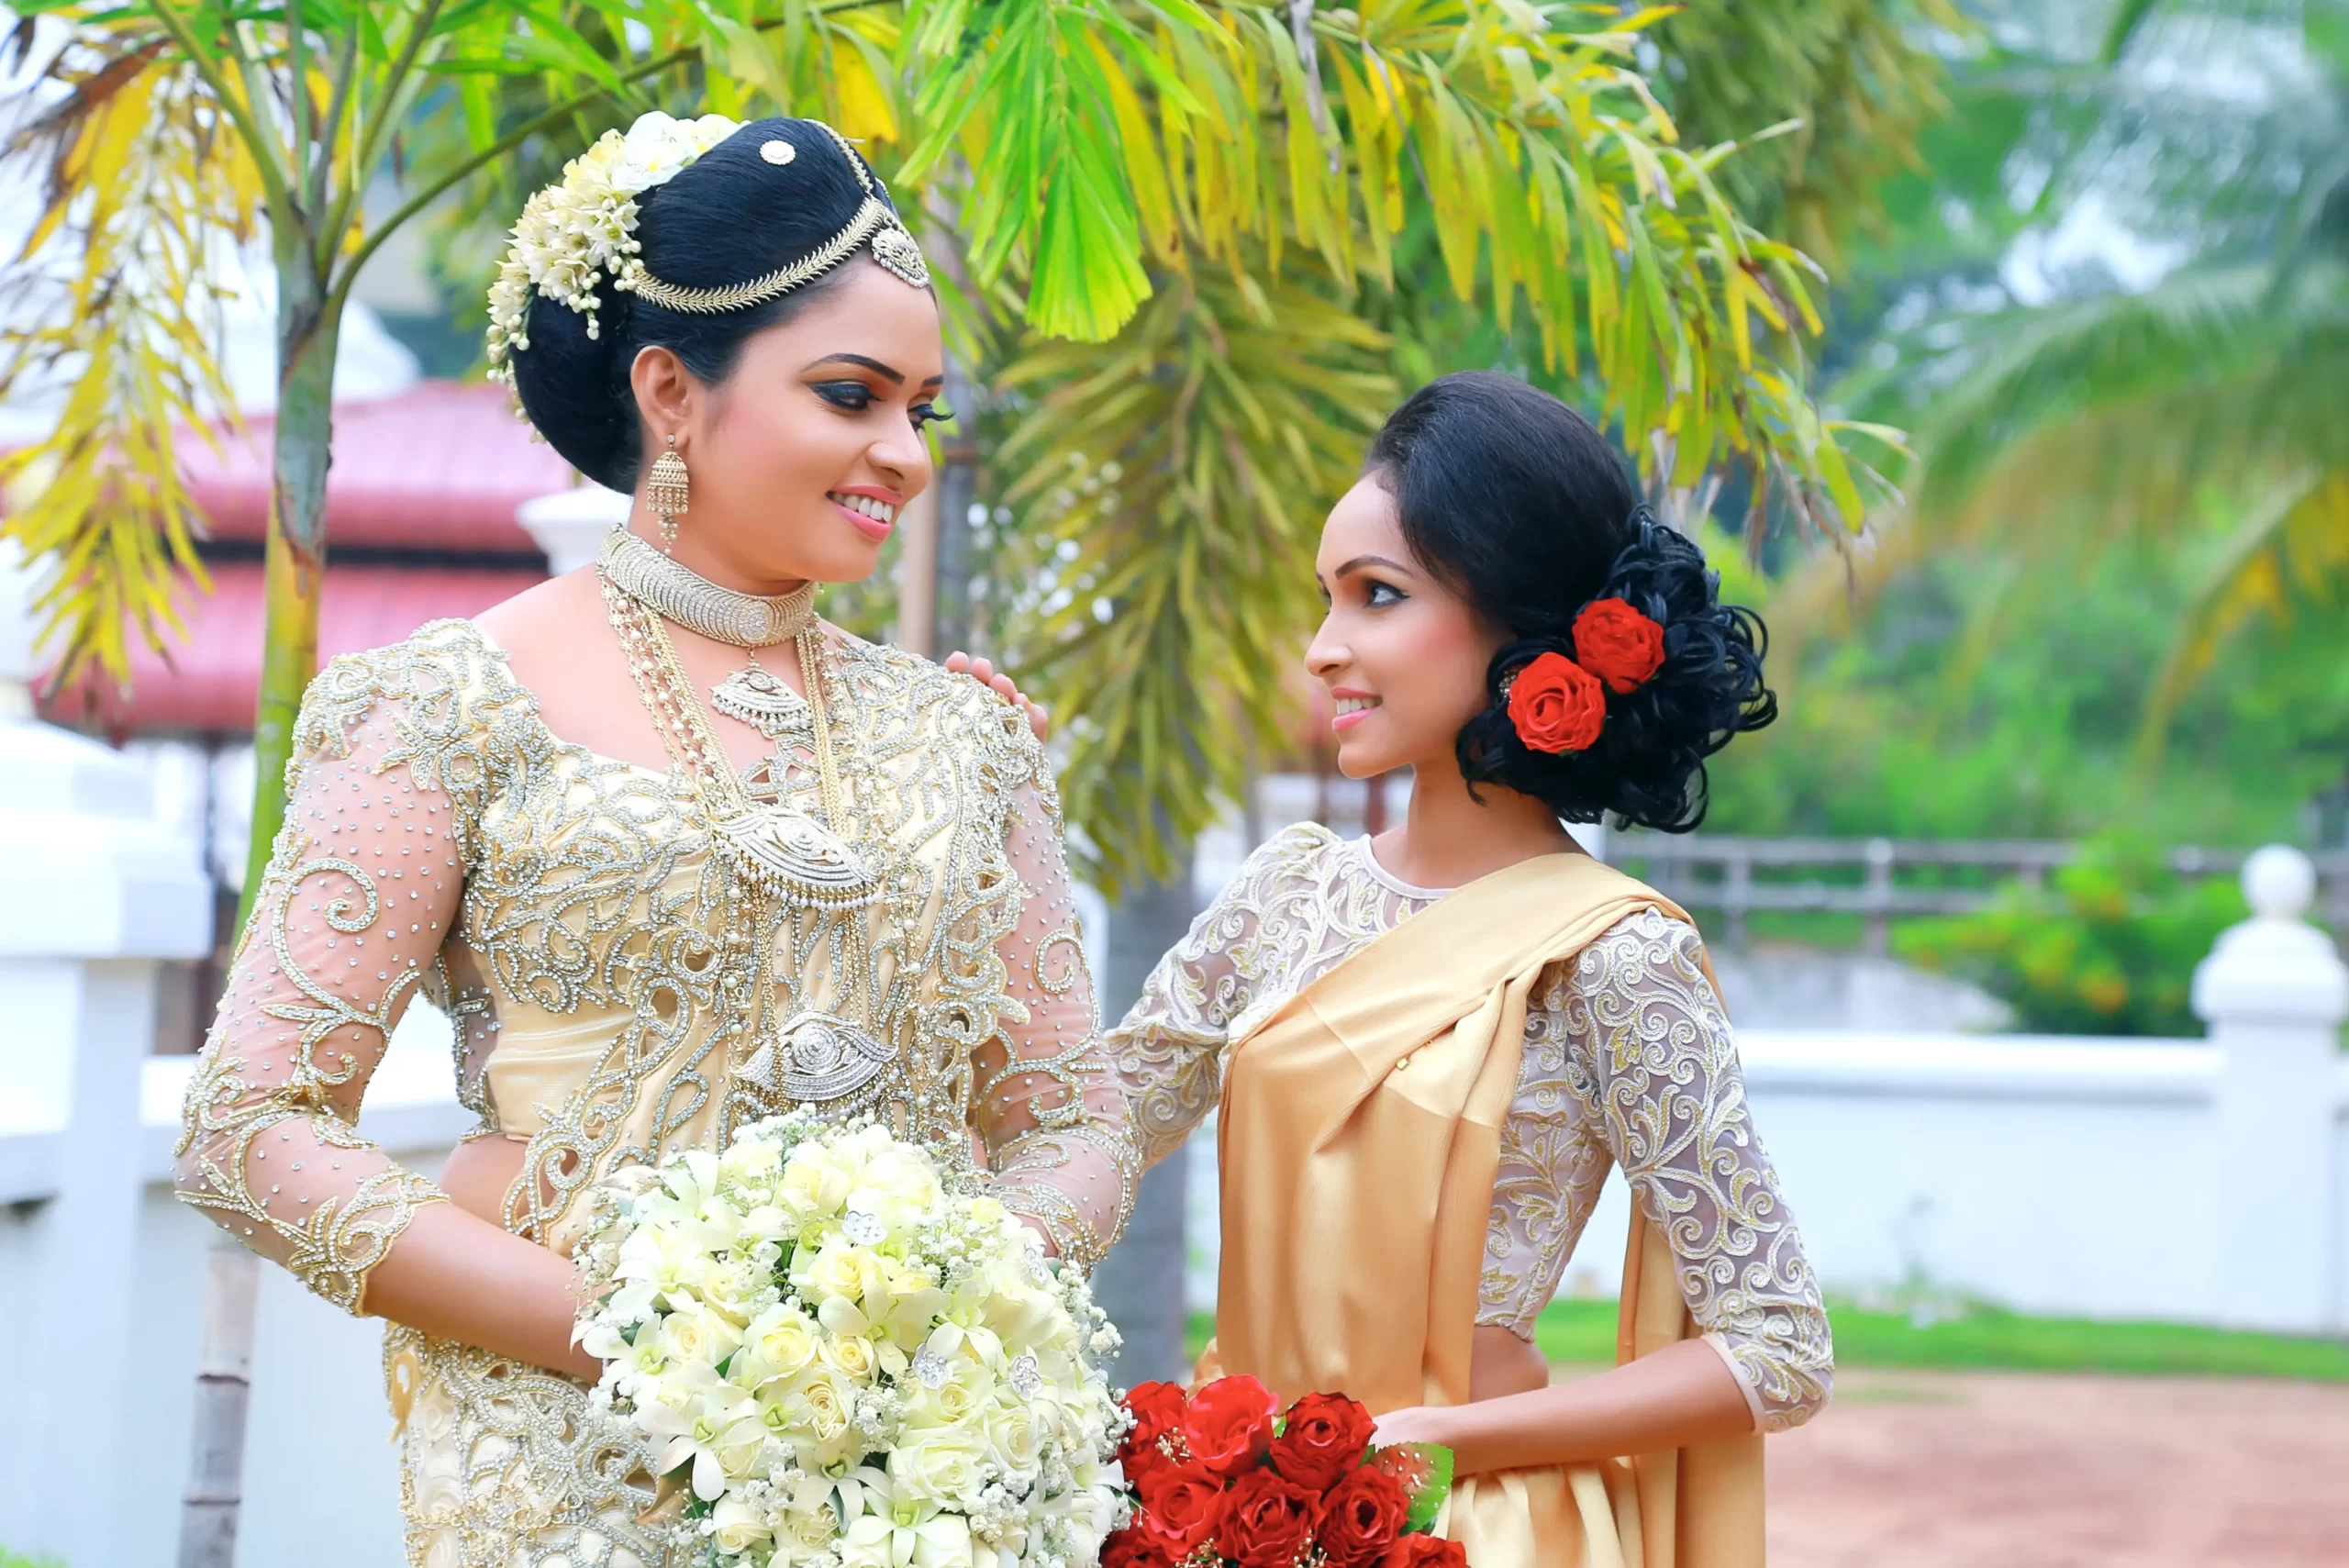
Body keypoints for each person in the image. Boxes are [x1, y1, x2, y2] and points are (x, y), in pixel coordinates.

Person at [173, 112, 1138, 1566]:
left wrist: (934, 1317)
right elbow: (252, 1131)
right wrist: (668, 1340)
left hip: (916, 1487)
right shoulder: (444, 705)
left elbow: (1073, 1123)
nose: (903, 453)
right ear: (673, 391)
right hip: (576, 1468)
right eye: (851, 395)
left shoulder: (966, 737)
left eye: (920, 411)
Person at [1103, 372, 1831, 1565]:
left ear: (1520, 624)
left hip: (1469, 1532)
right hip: (1229, 1520)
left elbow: (1777, 1347)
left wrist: (1451, 1438)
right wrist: (1006, 823)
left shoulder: (1610, 957)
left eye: (1376, 598)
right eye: (1326, 601)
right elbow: (1087, 1130)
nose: (1323, 650)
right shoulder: (1287, 891)